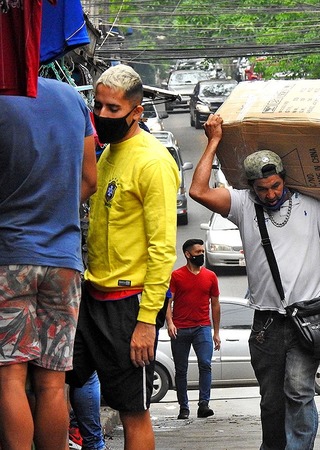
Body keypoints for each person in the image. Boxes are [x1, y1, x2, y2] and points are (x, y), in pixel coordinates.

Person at [188, 114, 320, 450]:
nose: (270, 195)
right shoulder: (241, 204)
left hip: (308, 319)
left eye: (276, 187)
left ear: (284, 180)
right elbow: (197, 190)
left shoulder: (311, 205)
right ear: (251, 187)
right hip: (267, 323)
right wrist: (213, 141)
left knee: (298, 392)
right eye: (262, 189)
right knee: (271, 401)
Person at [66, 64, 180, 450]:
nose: (101, 115)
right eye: (97, 105)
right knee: (53, 379)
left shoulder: (153, 161)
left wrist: (148, 320)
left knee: (133, 411)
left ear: (137, 112)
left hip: (129, 306)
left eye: (113, 109)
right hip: (91, 296)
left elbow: (163, 247)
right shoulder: (108, 154)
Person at [0, 76, 97, 449]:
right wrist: (52, 211)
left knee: (10, 376)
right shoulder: (71, 97)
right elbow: (90, 178)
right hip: (63, 260)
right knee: (53, 381)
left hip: (9, 258)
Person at [166, 239, 221, 420]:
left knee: (205, 364)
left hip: (202, 327)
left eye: (203, 251)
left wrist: (216, 332)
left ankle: (203, 404)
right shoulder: (176, 276)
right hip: (180, 329)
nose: (202, 255)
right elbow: (168, 301)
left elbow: (215, 304)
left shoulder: (210, 276)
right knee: (181, 369)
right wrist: (170, 323)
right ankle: (184, 407)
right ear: (188, 254)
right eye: (198, 252)